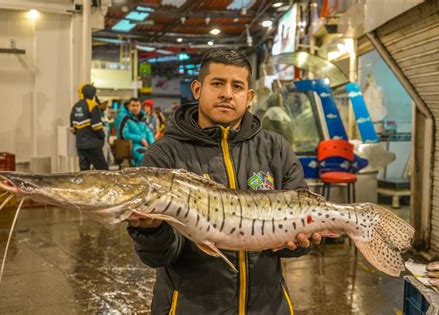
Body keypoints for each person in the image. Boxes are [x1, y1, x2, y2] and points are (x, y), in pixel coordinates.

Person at [126, 48, 321, 314]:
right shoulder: (165, 154)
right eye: (217, 83)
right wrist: (150, 231)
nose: (227, 94)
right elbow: (158, 256)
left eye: (237, 86)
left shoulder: (276, 148)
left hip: (268, 307)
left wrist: (298, 244)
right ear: (197, 89)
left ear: (249, 97)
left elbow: (292, 241)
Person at [70, 83, 108, 171]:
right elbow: (97, 126)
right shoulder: (92, 105)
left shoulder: (76, 106)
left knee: (84, 171)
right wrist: (102, 136)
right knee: (103, 170)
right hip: (93, 145)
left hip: (80, 144)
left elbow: (72, 128)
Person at [118, 98, 154, 166]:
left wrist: (153, 144)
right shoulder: (124, 117)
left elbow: (148, 132)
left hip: (146, 146)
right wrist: (140, 139)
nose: (135, 108)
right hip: (132, 146)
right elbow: (123, 134)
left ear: (140, 106)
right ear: (128, 106)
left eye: (137, 105)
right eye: (133, 105)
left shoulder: (142, 117)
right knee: (145, 157)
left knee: (157, 155)